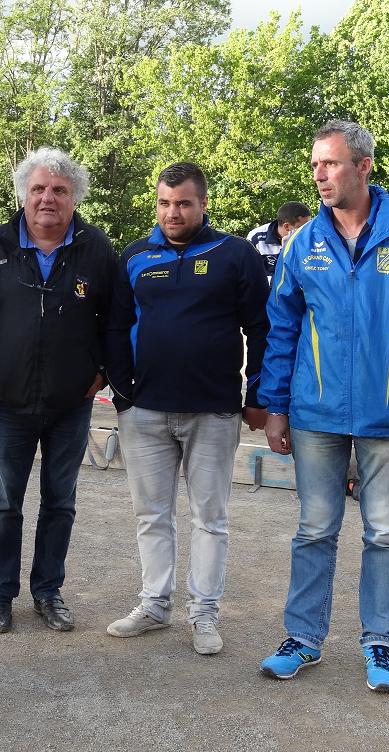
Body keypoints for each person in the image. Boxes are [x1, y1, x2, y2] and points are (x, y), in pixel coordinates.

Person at [258, 120, 389, 692]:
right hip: (315, 413)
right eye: (316, 164)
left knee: (387, 533)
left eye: (332, 164)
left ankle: (381, 643)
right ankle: (303, 637)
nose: (319, 174)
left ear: (364, 166)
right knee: (314, 529)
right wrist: (274, 406)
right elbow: (281, 331)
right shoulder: (302, 244)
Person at [104, 161, 270, 655]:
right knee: (151, 515)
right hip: (145, 412)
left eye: (183, 203)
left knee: (210, 518)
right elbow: (114, 327)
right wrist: (123, 394)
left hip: (213, 411)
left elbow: (262, 329)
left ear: (202, 204)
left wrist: (257, 396)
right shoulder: (135, 255)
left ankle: (204, 613)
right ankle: (155, 604)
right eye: (164, 203)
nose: (172, 212)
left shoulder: (234, 254)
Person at [0, 147, 115, 634]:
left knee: (60, 501)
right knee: (5, 502)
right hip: (9, 403)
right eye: (40, 188)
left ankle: (48, 591)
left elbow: (116, 320)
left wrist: (102, 372)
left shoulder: (97, 249)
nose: (49, 198)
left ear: (74, 199)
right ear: (24, 194)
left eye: (60, 191)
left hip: (71, 402)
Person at [246, 201, 312, 278]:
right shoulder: (256, 237)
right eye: (302, 228)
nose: (307, 231)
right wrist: (285, 251)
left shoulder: (309, 238)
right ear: (287, 226)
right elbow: (249, 274)